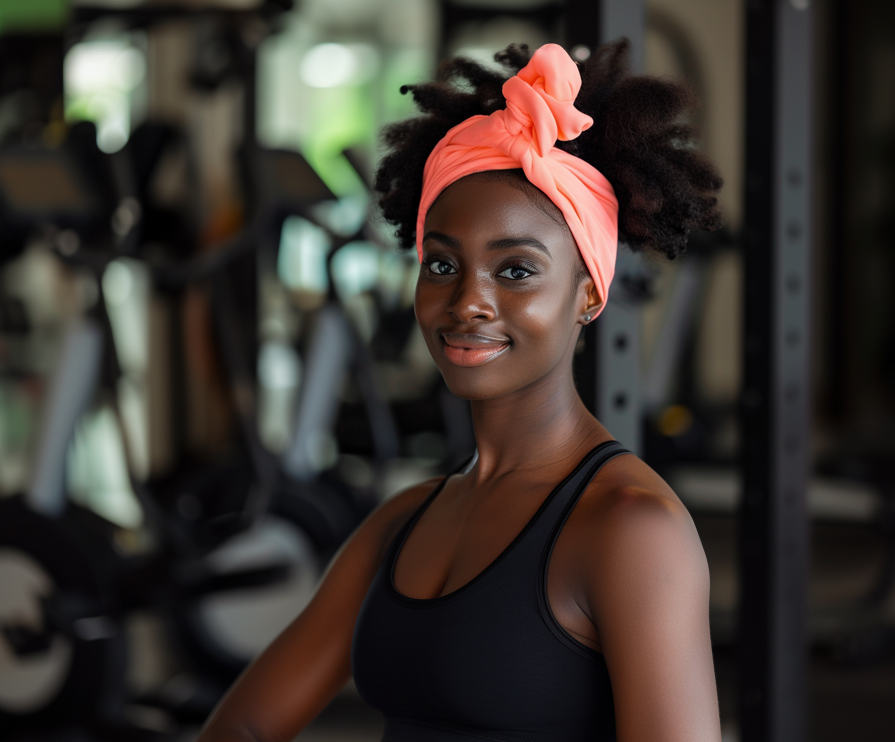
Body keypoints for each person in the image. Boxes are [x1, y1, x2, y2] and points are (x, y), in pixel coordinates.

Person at [196, 39, 724, 742]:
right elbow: (244, 728)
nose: (467, 300)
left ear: (589, 294)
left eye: (515, 272)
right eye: (441, 263)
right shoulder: (401, 523)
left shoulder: (632, 531)